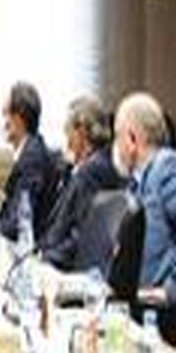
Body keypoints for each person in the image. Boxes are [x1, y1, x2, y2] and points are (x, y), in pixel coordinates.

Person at [112, 93, 176, 339]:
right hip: (131, 302)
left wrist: (174, 287)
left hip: (152, 313)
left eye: (117, 137)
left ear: (132, 139)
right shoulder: (139, 180)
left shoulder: (167, 170)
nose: (115, 147)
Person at [39, 93, 126, 269]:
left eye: (68, 131)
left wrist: (44, 260)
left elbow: (82, 234)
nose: (67, 140)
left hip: (67, 270)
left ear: (82, 132)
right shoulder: (98, 163)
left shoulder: (91, 172)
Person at [0, 81, 59, 241]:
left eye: (5, 114)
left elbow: (19, 221)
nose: (2, 123)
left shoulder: (32, 159)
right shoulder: (31, 151)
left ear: (18, 118)